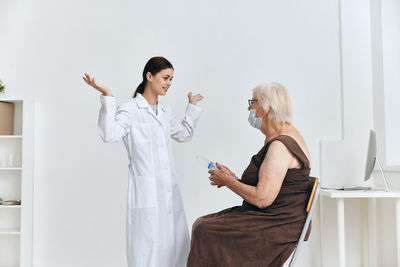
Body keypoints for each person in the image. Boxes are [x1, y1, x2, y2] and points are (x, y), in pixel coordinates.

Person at [82, 56, 204, 267]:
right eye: (165, 77)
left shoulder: (165, 112)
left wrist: (191, 107)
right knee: (147, 250)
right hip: (145, 190)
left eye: (171, 79)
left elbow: (184, 134)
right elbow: (109, 134)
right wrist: (107, 96)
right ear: (149, 76)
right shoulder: (131, 109)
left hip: (169, 191)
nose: (168, 83)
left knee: (176, 248)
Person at [187, 82, 314, 267]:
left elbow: (262, 198)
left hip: (276, 224)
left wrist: (228, 182)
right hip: (270, 216)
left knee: (204, 228)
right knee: (204, 224)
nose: (249, 107)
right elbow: (269, 186)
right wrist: (232, 179)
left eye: (252, 102)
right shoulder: (280, 137)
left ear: (264, 107)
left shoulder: (281, 146)